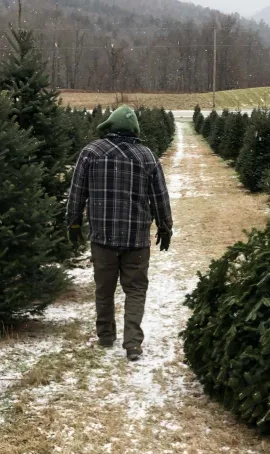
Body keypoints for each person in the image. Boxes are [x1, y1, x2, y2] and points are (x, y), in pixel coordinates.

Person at [66, 105, 173, 361]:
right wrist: (165, 226)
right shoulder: (146, 156)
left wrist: (73, 222)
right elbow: (160, 197)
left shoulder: (91, 153)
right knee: (135, 290)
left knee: (104, 288)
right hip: (136, 239)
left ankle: (105, 335)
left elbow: (77, 191)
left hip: (102, 237)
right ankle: (133, 343)